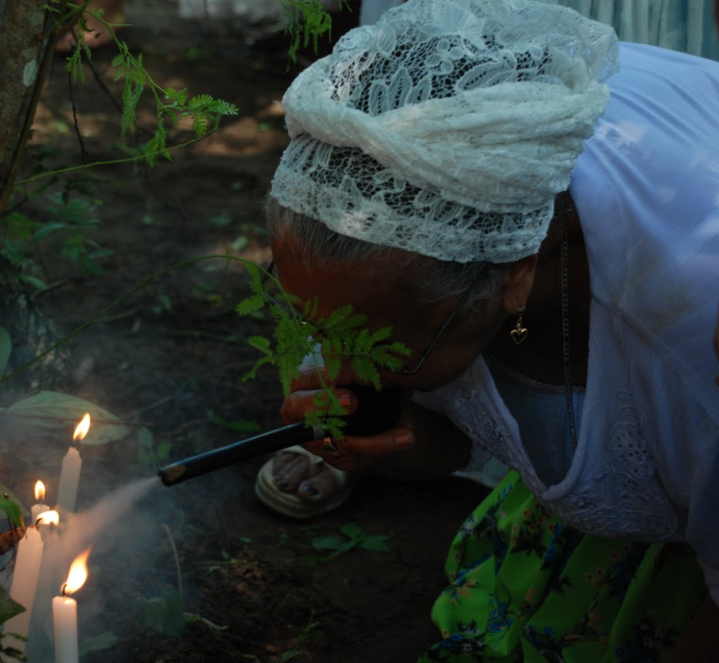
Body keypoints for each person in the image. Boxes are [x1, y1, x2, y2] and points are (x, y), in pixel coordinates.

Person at [254, 0, 719, 659]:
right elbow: (449, 426)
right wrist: (398, 438)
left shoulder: (690, 348)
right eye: (318, 324)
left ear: (515, 276)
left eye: (376, 343)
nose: (339, 364)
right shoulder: (429, 201)